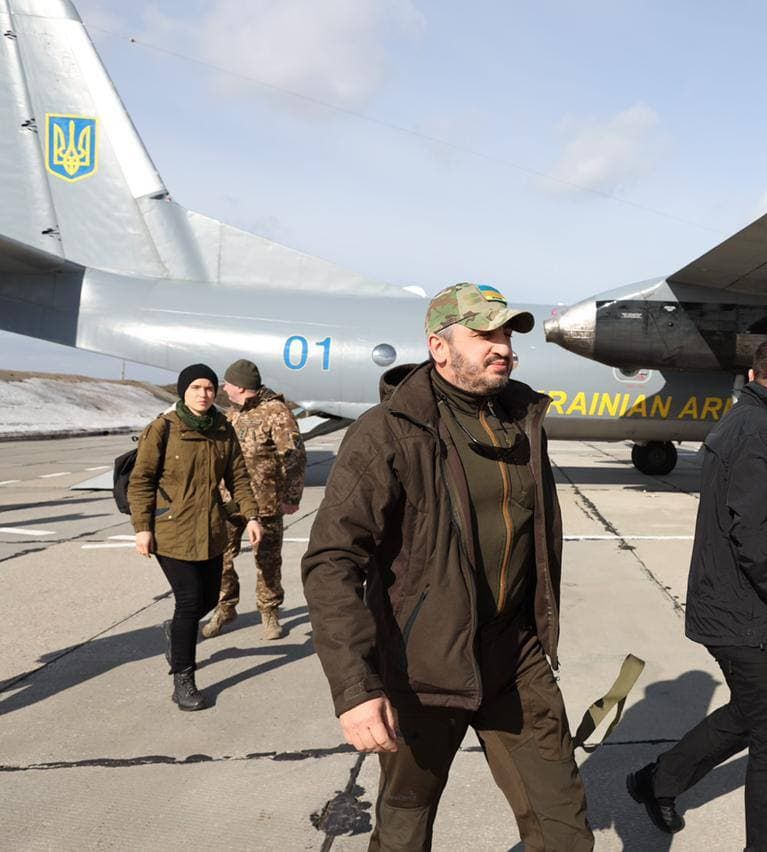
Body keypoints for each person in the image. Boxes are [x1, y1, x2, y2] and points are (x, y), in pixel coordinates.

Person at [301, 282, 593, 851]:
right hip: (423, 668)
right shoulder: (386, 432)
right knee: (405, 824)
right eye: (485, 334)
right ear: (439, 346)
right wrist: (355, 686)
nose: (503, 347)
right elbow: (331, 560)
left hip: (514, 658)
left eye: (507, 334)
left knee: (564, 828)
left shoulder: (521, 420)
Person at [628, 337, 767, 852]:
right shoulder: (761, 434)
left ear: (754, 378)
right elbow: (758, 538)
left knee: (752, 713)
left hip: (741, 607)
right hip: (749, 614)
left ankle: (658, 781)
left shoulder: (753, 422)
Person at [128, 363, 262, 711]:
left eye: (209, 388)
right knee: (188, 602)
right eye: (196, 388)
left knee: (206, 601)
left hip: (212, 530)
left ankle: (175, 633)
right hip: (171, 530)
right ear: (183, 391)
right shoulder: (163, 428)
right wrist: (142, 527)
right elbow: (141, 480)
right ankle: (183, 679)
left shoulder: (222, 428)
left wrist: (251, 515)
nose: (204, 394)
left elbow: (239, 477)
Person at [202, 358, 306, 641]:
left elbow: (294, 455)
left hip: (266, 502)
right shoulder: (232, 414)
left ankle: (269, 612)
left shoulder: (276, 412)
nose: (224, 388)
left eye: (228, 384)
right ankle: (225, 606)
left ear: (242, 387)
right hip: (228, 500)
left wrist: (290, 495)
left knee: (267, 560)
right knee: (220, 556)